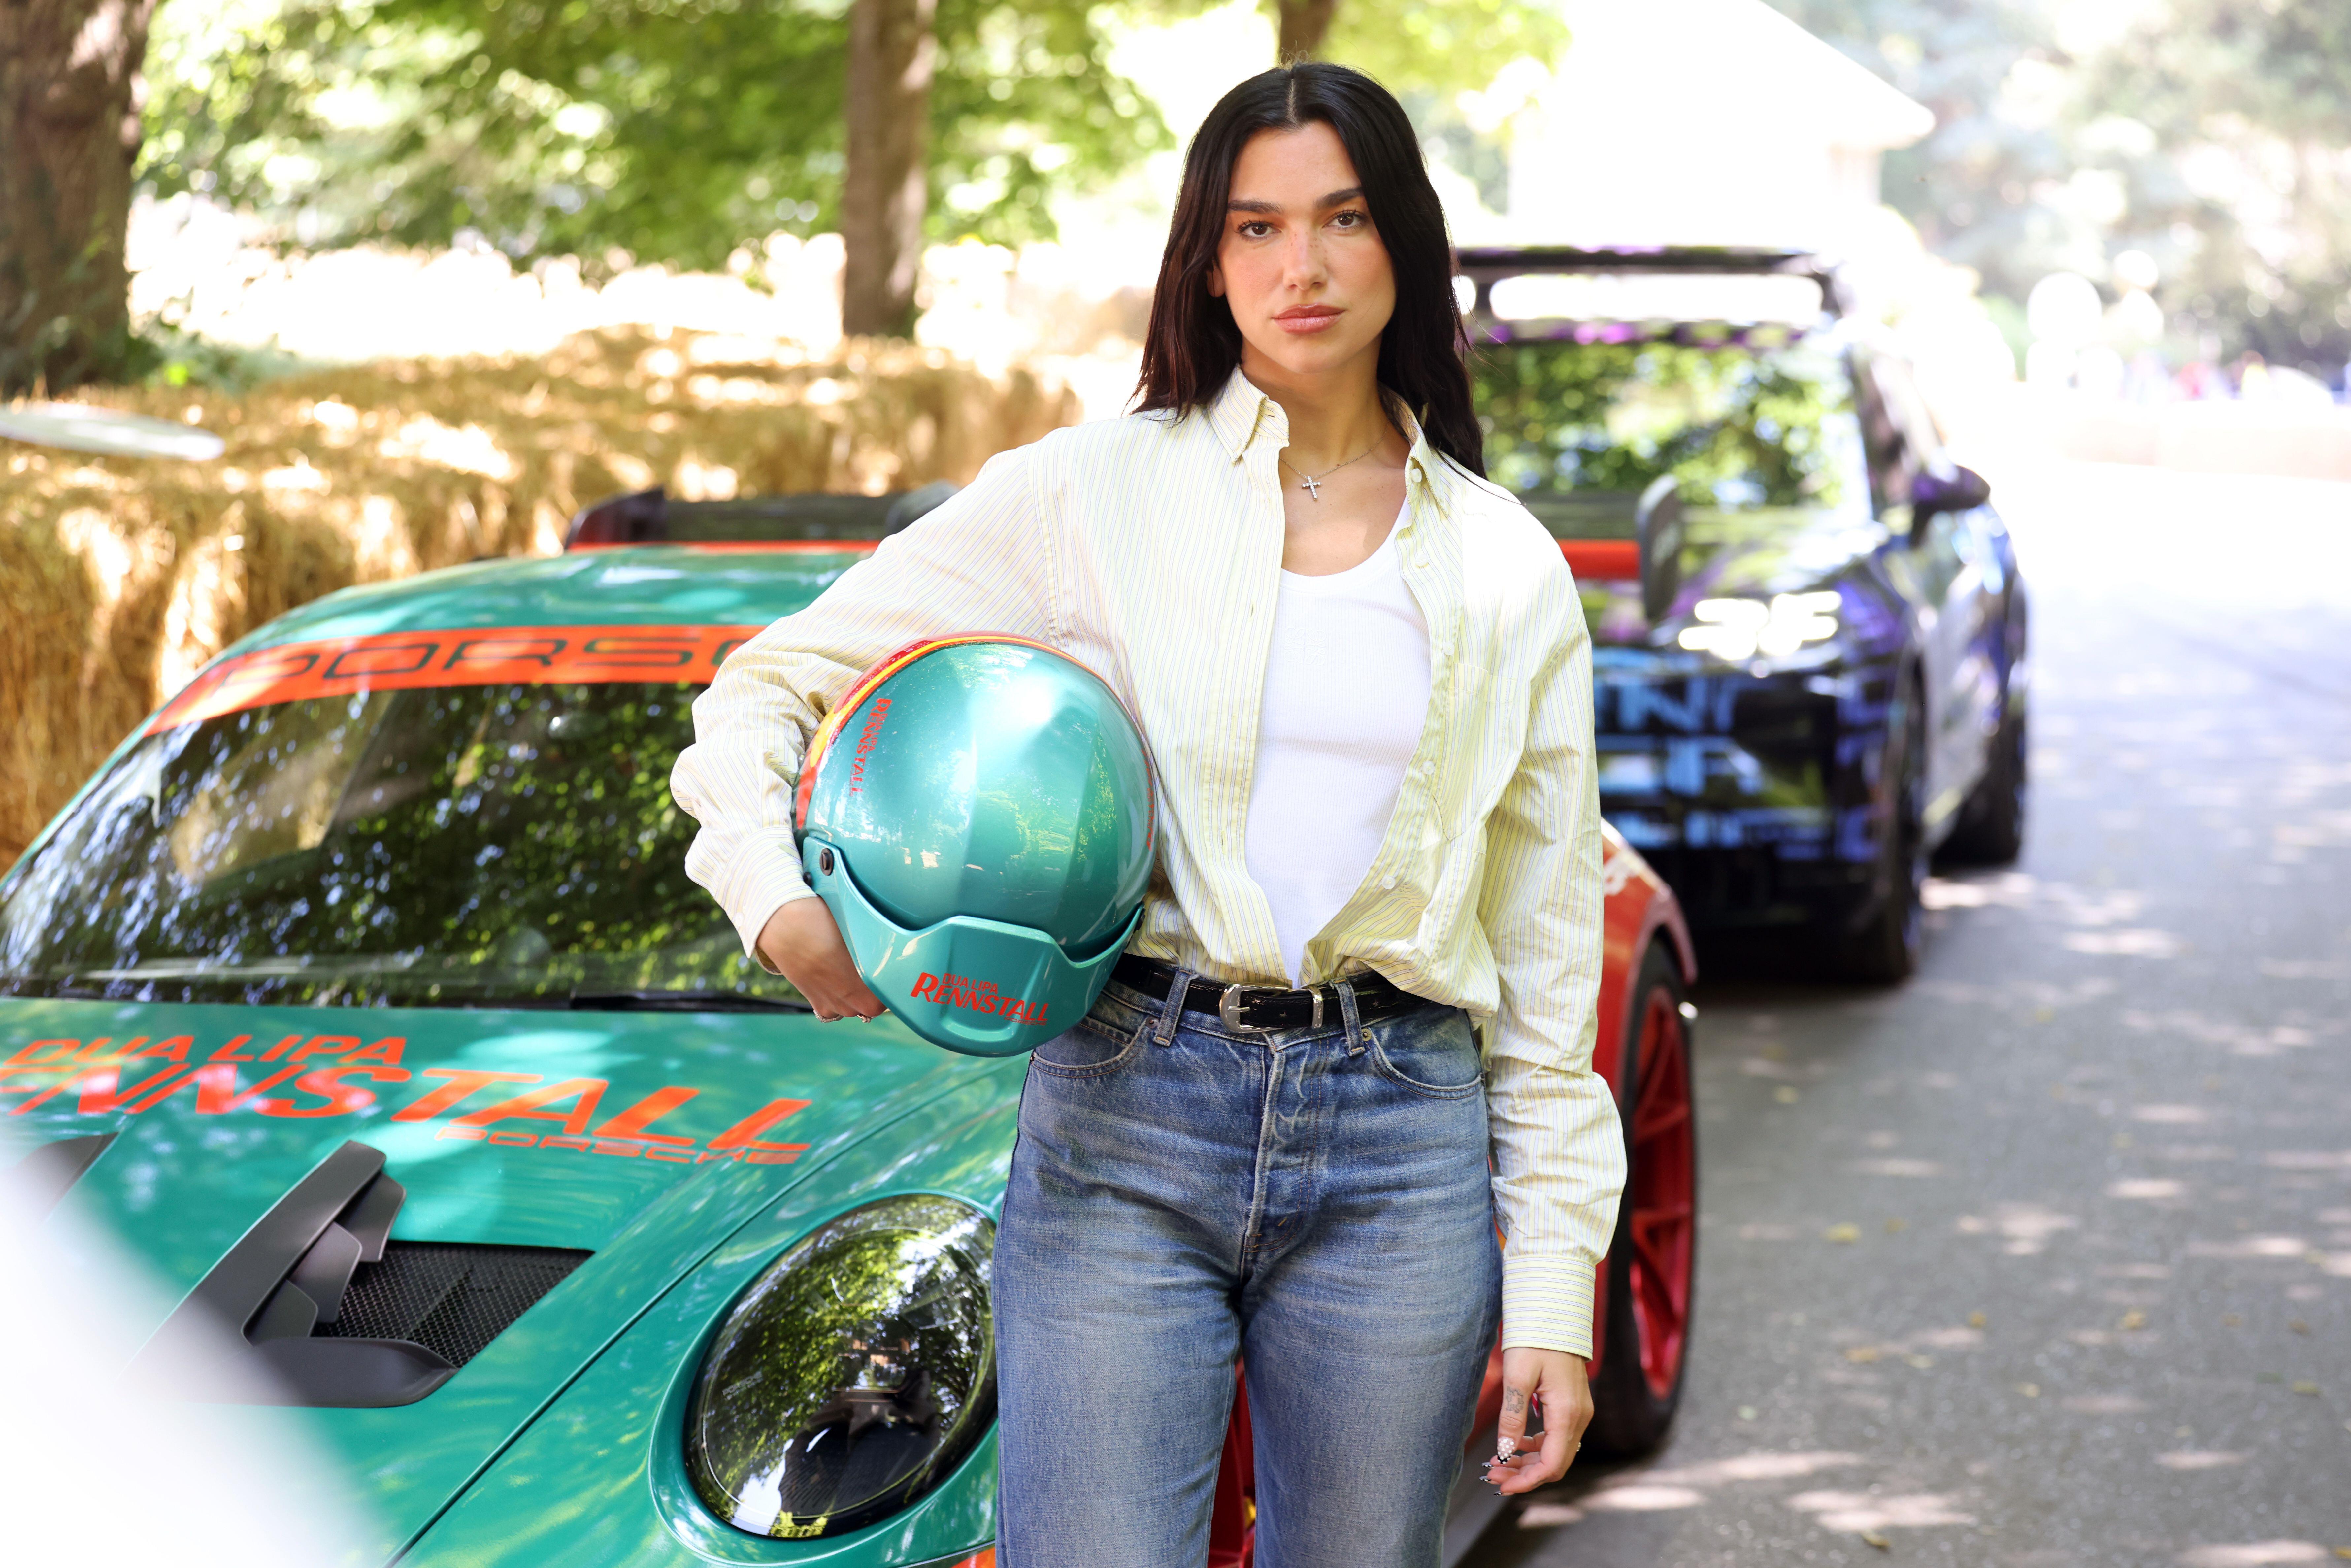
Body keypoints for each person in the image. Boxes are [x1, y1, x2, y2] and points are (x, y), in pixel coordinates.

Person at [671, 62, 1623, 1568]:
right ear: (1206, 257)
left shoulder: (1507, 567)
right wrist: (776, 896)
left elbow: (1545, 954)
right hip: (1127, 1113)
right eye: (1253, 229)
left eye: (1341, 220)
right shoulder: (1091, 493)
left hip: (1402, 1138)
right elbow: (769, 685)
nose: (1297, 268)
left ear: (1405, 245)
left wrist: (1556, 1293)